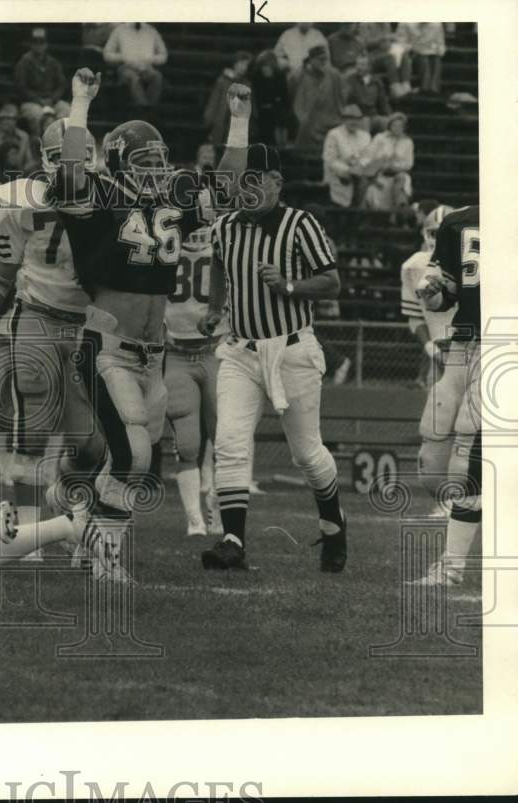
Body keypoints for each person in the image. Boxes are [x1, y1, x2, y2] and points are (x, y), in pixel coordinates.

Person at [52, 68, 251, 582]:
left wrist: (240, 120)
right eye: (145, 162)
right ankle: (106, 565)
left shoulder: (169, 202)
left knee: (129, 458)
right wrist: (80, 104)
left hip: (154, 353)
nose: (157, 171)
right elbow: (72, 170)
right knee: (134, 455)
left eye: (161, 162)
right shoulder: (96, 196)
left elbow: (226, 188)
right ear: (117, 163)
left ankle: (81, 532)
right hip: (108, 345)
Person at [198, 144, 347, 573]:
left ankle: (334, 522)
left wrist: (289, 286)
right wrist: (214, 308)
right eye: (241, 180)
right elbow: (219, 269)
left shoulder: (301, 224)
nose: (246, 188)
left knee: (307, 454)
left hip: (292, 349)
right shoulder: (225, 227)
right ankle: (232, 541)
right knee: (228, 443)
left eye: (255, 179)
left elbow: (332, 282)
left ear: (276, 183)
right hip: (241, 350)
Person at [0, 118, 106, 522]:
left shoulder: (110, 200)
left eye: (76, 162)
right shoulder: (21, 201)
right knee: (32, 429)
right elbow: (1, 275)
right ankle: (28, 533)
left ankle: (61, 491)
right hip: (37, 315)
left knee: (92, 446)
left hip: (88, 325)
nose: (69, 171)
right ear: (46, 161)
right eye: (61, 161)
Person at [411, 206, 481, 585]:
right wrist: (435, 293)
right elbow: (445, 297)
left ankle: (451, 568)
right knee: (434, 461)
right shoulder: (460, 221)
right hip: (461, 347)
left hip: (503, 348)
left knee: (470, 454)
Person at [164, 222, 227, 537]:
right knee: (187, 443)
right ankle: (194, 519)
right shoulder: (162, 245)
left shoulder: (224, 243)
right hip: (175, 352)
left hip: (216, 351)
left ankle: (217, 509)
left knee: (227, 441)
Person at [400, 204, 455, 390]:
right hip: (438, 353)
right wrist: (430, 347)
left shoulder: (477, 265)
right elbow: (415, 317)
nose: (440, 239)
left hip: (471, 350)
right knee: (437, 414)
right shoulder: (414, 267)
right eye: (434, 233)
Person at [14, 28, 70, 131]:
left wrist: (53, 99)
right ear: (31, 44)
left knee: (66, 109)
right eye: (36, 43)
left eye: (42, 43)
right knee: (36, 115)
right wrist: (38, 100)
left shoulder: (53, 62)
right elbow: (21, 87)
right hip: (31, 101)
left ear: (46, 45)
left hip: (52, 100)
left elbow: (62, 84)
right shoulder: (24, 62)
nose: (39, 46)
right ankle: (38, 143)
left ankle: (61, 143)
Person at [102, 23, 167, 111]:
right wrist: (124, 58)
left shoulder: (151, 31)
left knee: (157, 77)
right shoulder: (119, 30)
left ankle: (149, 109)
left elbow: (163, 55)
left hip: (146, 68)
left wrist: (151, 59)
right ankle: (144, 110)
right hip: (126, 68)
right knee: (134, 78)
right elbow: (107, 54)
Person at [292, 45, 344, 152]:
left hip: (331, 114)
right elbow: (296, 101)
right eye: (320, 59)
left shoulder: (334, 74)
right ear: (311, 60)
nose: (324, 62)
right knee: (306, 127)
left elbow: (341, 97)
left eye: (326, 59)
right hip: (311, 117)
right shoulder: (301, 75)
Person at [322, 104, 372, 207]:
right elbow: (330, 159)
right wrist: (348, 170)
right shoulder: (334, 134)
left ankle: (359, 214)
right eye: (350, 118)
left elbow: (369, 156)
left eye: (357, 119)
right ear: (344, 119)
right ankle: (356, 214)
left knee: (369, 182)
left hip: (361, 172)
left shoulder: (365, 136)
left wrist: (360, 165)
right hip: (339, 173)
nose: (354, 122)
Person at [363, 111, 414, 211]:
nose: (397, 128)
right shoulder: (380, 138)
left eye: (400, 126)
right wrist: (379, 164)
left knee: (401, 181)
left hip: (398, 173)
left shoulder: (408, 142)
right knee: (374, 189)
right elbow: (369, 155)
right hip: (380, 173)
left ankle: (397, 213)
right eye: (394, 125)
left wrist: (395, 167)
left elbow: (409, 163)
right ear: (390, 125)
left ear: (404, 127)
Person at [203, 51, 253, 147]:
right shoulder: (222, 81)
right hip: (221, 121)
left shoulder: (247, 84)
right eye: (242, 64)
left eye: (246, 65)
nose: (244, 67)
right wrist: (209, 119)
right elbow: (214, 101)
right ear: (235, 64)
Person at [250, 50, 289, 148]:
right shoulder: (256, 77)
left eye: (267, 66)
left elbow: (285, 99)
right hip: (260, 114)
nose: (265, 69)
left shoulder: (280, 78)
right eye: (263, 66)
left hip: (277, 113)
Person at [0, 104, 33, 178]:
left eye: (11, 119)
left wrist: (23, 173)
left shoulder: (24, 136)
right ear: (0, 119)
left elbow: (29, 160)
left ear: (16, 120)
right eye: (4, 118)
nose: (8, 122)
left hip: (20, 174)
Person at [342, 53, 391, 130]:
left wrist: (390, 116)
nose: (358, 67)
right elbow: (344, 99)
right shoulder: (351, 80)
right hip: (357, 116)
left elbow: (383, 101)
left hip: (373, 116)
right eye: (357, 64)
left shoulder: (376, 81)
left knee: (387, 123)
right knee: (365, 122)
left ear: (369, 67)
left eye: (362, 65)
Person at [273, 23, 328, 87]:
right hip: (292, 75)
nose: (305, 22)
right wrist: (285, 64)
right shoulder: (287, 35)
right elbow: (276, 55)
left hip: (313, 77)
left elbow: (326, 58)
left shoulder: (318, 36)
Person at [398, 22, 446, 94]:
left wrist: (438, 50)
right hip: (411, 53)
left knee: (436, 59)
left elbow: (440, 43)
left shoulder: (436, 24)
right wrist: (411, 49)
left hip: (430, 52)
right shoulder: (405, 23)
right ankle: (425, 88)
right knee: (423, 58)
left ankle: (434, 89)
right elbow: (400, 41)